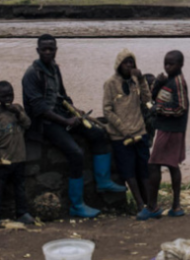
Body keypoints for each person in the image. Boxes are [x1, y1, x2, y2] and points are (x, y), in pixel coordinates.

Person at [22, 34, 125, 219]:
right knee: (75, 153)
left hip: (61, 116)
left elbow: (62, 95)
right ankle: (76, 205)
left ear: (56, 50)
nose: (47, 52)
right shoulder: (31, 74)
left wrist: (74, 112)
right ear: (37, 51)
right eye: (44, 49)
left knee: (98, 134)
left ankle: (103, 181)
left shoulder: (54, 69)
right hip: (45, 123)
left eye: (51, 48)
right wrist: (66, 122)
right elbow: (40, 109)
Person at [103, 49, 152, 217]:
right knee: (128, 171)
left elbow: (147, 100)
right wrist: (124, 130)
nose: (129, 65)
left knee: (144, 168)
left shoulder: (135, 81)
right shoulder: (110, 83)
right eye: (126, 62)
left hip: (140, 131)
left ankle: (151, 203)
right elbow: (107, 111)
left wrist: (142, 79)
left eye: (131, 62)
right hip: (121, 136)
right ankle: (139, 205)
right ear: (119, 65)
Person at [142, 50, 189, 220]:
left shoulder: (178, 82)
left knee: (154, 164)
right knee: (172, 165)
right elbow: (154, 98)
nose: (167, 67)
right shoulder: (168, 81)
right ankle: (175, 207)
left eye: (171, 64)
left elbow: (181, 107)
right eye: (166, 63)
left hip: (171, 129)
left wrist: (160, 109)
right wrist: (158, 84)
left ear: (180, 65)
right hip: (165, 127)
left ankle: (152, 207)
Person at [0, 81, 34, 226]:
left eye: (10, 94)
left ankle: (22, 213)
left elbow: (27, 124)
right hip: (2, 159)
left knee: (19, 187)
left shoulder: (18, 109)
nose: (8, 98)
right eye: (4, 95)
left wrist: (18, 113)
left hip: (19, 157)